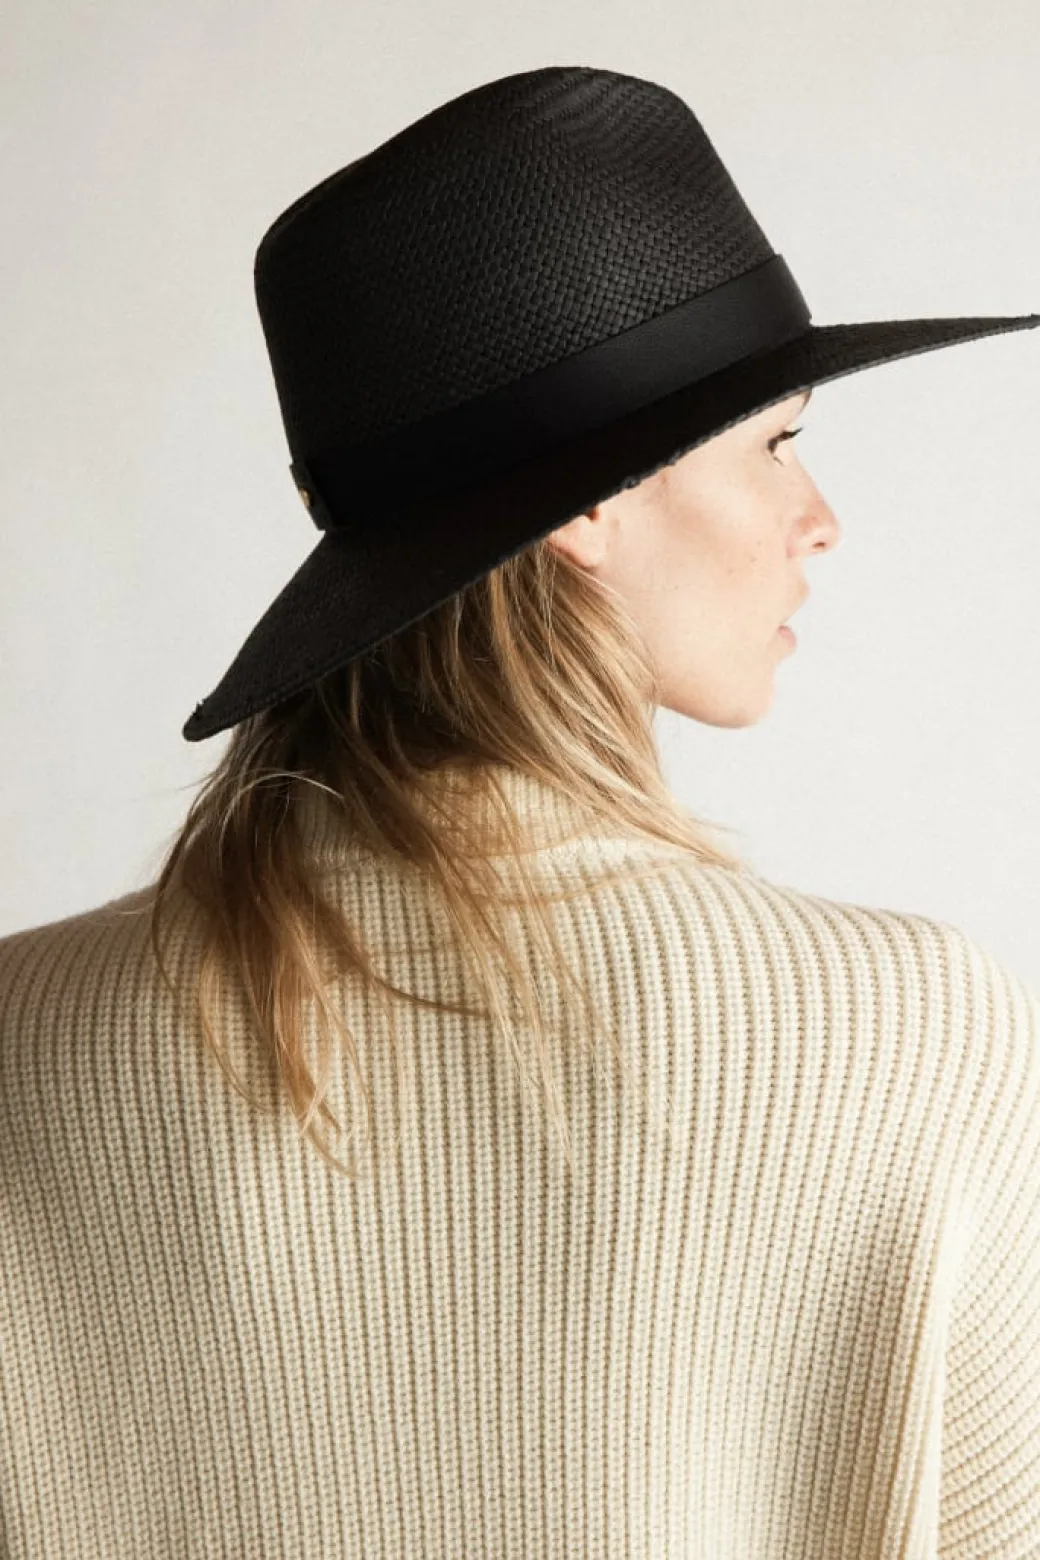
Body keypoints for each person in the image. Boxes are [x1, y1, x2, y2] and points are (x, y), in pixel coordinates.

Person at [2, 64, 1039, 1560]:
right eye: (777, 443)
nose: (819, 520)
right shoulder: (911, 1033)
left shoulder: (20, 1038)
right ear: (589, 504)